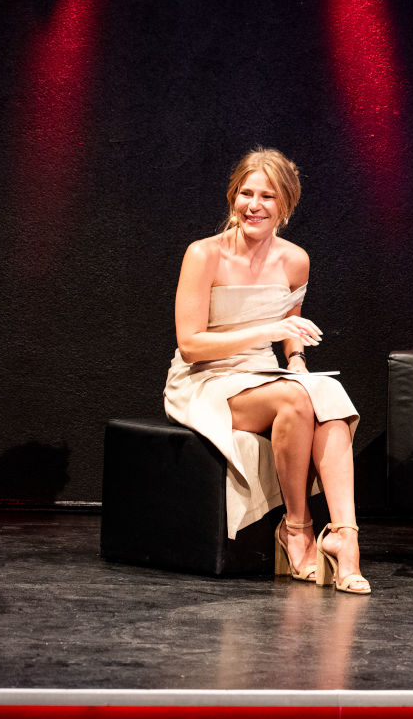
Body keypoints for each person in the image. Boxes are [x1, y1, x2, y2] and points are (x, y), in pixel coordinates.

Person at [164, 148, 369, 595]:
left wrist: (296, 360)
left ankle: (345, 538)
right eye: (245, 193)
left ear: (286, 206)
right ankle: (296, 527)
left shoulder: (295, 260)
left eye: (267, 197)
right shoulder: (204, 255)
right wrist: (270, 330)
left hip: (263, 374)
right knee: (295, 399)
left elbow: (289, 327)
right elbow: (191, 345)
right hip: (205, 379)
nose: (253, 205)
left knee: (327, 399)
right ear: (232, 197)